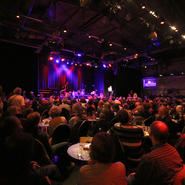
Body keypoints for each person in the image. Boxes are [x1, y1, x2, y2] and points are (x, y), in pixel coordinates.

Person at [127, 121, 183, 185]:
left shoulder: (149, 159)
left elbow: (136, 181)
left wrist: (130, 177)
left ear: (150, 134)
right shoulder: (173, 150)